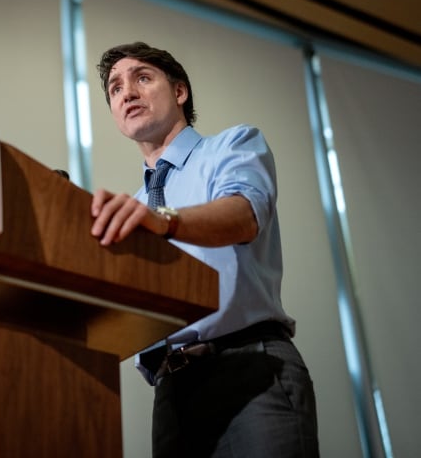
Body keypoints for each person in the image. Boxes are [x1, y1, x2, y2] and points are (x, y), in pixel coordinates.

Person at [90, 42, 319, 457]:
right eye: (115, 88)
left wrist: (164, 222)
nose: (127, 92)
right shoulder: (134, 208)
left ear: (180, 91)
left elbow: (243, 214)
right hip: (170, 391)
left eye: (142, 77)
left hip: (248, 369)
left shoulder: (231, 146)